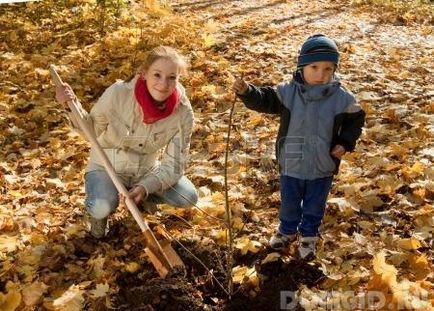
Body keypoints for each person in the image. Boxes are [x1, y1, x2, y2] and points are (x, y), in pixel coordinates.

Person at [232, 34, 365, 260]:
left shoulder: (342, 98)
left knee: (315, 205)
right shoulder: (288, 93)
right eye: (314, 67)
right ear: (302, 66)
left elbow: (356, 120)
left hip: (322, 164)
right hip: (291, 162)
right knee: (290, 202)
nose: (321, 74)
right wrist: (247, 92)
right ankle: (287, 230)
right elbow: (265, 100)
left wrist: (344, 142)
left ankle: (309, 235)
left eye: (328, 69)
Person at [55, 46, 198, 238]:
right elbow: (91, 131)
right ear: (144, 73)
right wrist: (70, 106)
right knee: (101, 206)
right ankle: (99, 215)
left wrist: (146, 187)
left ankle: (143, 198)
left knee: (188, 196)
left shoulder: (183, 112)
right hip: (107, 167)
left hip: (145, 171)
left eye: (172, 77)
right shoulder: (118, 94)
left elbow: (174, 165)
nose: (164, 84)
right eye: (157, 75)